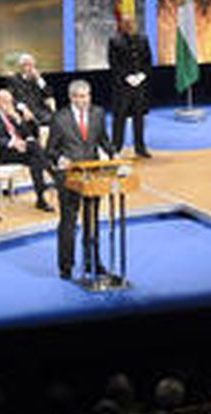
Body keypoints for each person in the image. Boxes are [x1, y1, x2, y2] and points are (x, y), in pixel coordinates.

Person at [45, 80, 115, 280]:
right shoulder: (60, 118)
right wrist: (61, 160)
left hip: (92, 175)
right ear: (72, 97)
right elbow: (50, 151)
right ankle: (66, 266)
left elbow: (104, 141)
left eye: (87, 96)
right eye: (80, 97)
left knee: (91, 221)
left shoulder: (98, 113)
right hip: (69, 178)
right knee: (69, 222)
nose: (85, 100)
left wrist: (114, 154)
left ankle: (92, 261)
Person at [0, 89, 54, 212]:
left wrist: (18, 120)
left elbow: (28, 133)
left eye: (10, 101)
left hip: (23, 150)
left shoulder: (12, 115)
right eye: (7, 102)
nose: (10, 105)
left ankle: (41, 199)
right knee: (35, 147)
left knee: (35, 159)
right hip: (5, 153)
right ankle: (53, 171)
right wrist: (12, 143)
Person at [107, 15, 152, 158]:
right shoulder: (114, 41)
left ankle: (140, 147)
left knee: (139, 117)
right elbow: (114, 63)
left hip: (140, 86)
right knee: (119, 118)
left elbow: (148, 60)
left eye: (131, 23)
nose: (129, 25)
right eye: (126, 23)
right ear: (121, 24)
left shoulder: (143, 39)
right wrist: (127, 77)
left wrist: (142, 75)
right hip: (122, 87)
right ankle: (116, 148)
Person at [7, 53, 57, 127]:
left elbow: (49, 93)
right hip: (23, 110)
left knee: (53, 119)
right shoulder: (14, 80)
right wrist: (23, 109)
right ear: (21, 67)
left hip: (40, 109)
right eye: (27, 65)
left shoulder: (38, 79)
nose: (30, 68)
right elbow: (13, 99)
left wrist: (39, 79)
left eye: (32, 65)